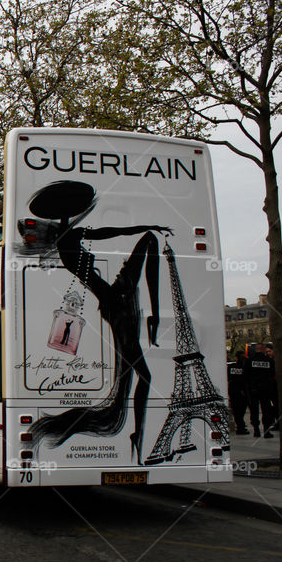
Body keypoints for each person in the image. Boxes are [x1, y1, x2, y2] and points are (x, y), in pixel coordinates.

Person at [19, 180, 171, 465]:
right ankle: (137, 435)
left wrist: (144, 228)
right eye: (63, 213)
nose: (66, 217)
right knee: (143, 375)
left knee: (149, 239)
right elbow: (111, 232)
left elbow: (109, 232)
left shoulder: (64, 240)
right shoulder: (70, 237)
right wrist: (144, 227)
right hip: (115, 301)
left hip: (114, 297)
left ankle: (137, 435)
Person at [245, 343, 276, 438]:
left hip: (253, 389)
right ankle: (266, 431)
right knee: (266, 410)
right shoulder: (269, 361)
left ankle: (256, 430)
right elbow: (272, 374)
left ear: (255, 350)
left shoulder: (249, 361)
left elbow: (245, 376)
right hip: (266, 389)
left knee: (254, 410)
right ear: (263, 350)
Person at [227, 350, 249, 435]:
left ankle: (240, 425)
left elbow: (228, 378)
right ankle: (241, 426)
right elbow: (246, 380)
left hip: (233, 390)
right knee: (242, 409)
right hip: (242, 391)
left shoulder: (232, 367)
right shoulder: (244, 368)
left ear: (236, 357)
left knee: (236, 409)